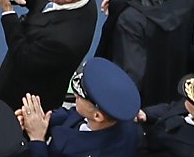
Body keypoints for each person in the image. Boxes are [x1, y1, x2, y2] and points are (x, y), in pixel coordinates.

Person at [12, 54, 141, 155]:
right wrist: (39, 119)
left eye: (80, 97)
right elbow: (74, 114)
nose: (75, 97)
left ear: (97, 116)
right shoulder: (121, 120)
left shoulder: (80, 152)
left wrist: (37, 139)